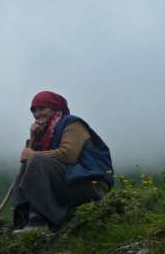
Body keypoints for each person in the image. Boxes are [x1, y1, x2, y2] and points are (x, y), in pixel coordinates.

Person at [11, 90, 113, 233]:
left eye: (42, 108)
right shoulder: (45, 132)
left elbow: (68, 155)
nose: (37, 114)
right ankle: (24, 218)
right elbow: (31, 161)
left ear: (55, 108)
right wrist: (34, 137)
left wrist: (33, 154)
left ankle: (39, 221)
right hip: (69, 180)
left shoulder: (72, 124)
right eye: (34, 110)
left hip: (90, 183)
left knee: (36, 159)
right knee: (26, 167)